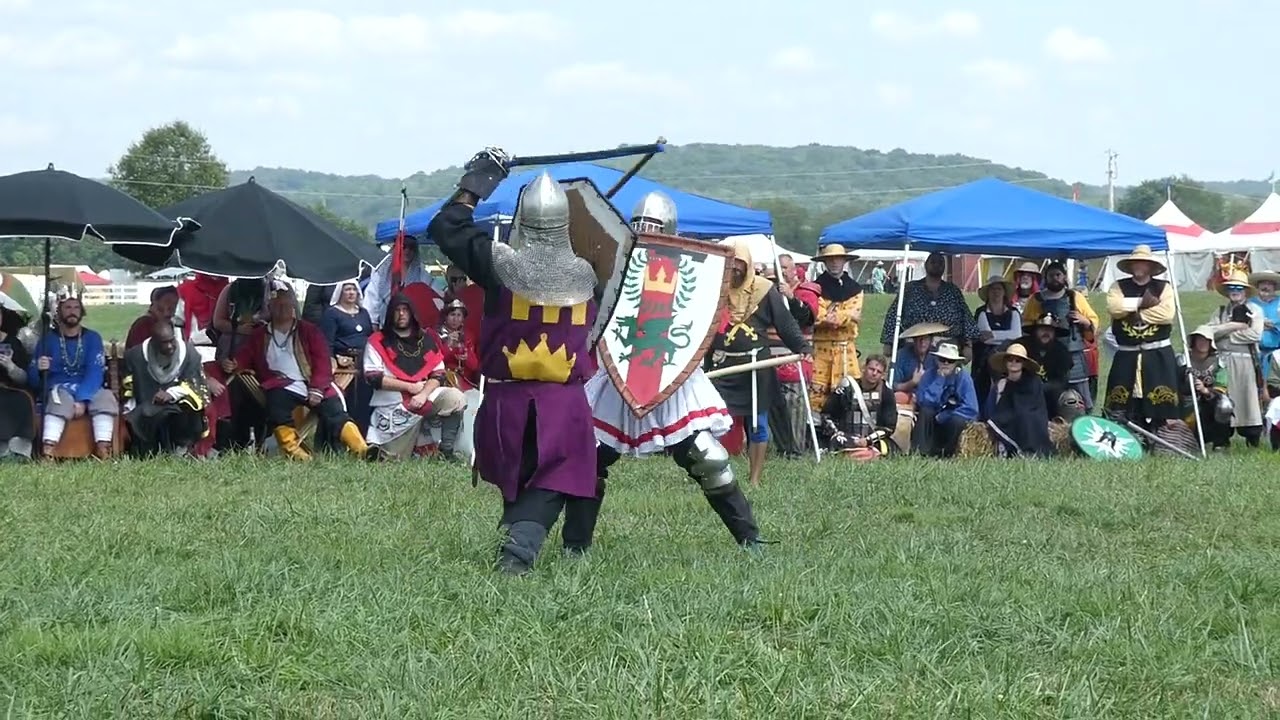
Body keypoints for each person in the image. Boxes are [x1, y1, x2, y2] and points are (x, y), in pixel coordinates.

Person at [428, 149, 601, 575]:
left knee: (528, 475)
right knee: (553, 478)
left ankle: (529, 542)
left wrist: (477, 182)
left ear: (522, 220)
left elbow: (447, 226)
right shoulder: (588, 275)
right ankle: (517, 553)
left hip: (507, 402)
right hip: (562, 403)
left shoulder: (499, 264)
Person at [578, 191, 770, 555]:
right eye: (639, 225)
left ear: (669, 230)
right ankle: (576, 545)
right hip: (620, 373)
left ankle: (750, 540)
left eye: (652, 226)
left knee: (707, 458)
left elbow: (701, 317)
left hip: (670, 376)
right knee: (588, 457)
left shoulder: (691, 266)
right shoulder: (614, 263)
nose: (645, 232)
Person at [705, 237, 812, 487]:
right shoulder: (716, 288)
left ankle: (754, 479)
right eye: (730, 262)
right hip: (724, 367)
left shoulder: (764, 290)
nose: (734, 268)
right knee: (713, 422)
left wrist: (802, 347)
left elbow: (785, 323)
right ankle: (714, 475)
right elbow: (706, 328)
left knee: (758, 424)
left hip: (757, 369)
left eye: (739, 263)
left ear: (748, 264)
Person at [223, 280, 369, 460]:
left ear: (293, 307)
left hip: (313, 383)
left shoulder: (309, 331)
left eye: (285, 305)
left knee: (334, 411)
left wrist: (317, 388)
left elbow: (322, 361)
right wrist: (233, 364)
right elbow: (244, 357)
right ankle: (297, 454)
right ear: (269, 308)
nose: (281, 309)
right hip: (280, 385)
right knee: (277, 409)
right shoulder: (259, 335)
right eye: (277, 306)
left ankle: (362, 450)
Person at [363, 293, 467, 459]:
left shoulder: (424, 339)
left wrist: (423, 394)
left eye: (405, 310)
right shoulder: (378, 341)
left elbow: (439, 374)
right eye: (397, 310)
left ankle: (446, 452)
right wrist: (410, 387)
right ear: (390, 314)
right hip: (393, 403)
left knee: (455, 398)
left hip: (424, 396)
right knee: (392, 459)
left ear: (411, 313)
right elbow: (373, 377)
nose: (401, 314)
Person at [1104, 244, 1181, 430]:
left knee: (1161, 406)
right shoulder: (1118, 287)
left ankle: (1159, 436)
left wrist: (1135, 314)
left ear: (1150, 266)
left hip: (1158, 356)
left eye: (1143, 262)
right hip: (1127, 355)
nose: (1138, 265)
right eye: (1136, 262)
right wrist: (1142, 303)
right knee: (1122, 404)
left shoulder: (1164, 288)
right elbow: (1114, 308)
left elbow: (1166, 314)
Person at [30, 295, 119, 458]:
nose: (72, 311)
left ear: (82, 311)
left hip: (88, 387)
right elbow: (33, 380)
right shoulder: (47, 340)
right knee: (59, 400)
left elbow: (95, 371)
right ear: (59, 312)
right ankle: (48, 452)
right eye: (68, 308)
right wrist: (40, 369)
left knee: (105, 398)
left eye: (76, 307)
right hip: (58, 388)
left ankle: (103, 450)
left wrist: (82, 399)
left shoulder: (92, 338)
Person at [120, 320, 209, 456]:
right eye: (163, 343)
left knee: (185, 415)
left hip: (180, 405)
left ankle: (180, 449)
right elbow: (128, 392)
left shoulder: (189, 354)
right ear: (153, 341)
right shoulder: (135, 356)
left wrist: (172, 394)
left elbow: (196, 385)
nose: (169, 346)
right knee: (142, 415)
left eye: (171, 340)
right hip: (147, 405)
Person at [1021, 260, 1099, 411]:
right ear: (1046, 277)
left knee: (1080, 396)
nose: (1055, 278)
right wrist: (1040, 322)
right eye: (1051, 275)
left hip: (1073, 351)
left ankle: (1083, 418)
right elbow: (1026, 323)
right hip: (1047, 355)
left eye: (1058, 275)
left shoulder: (1074, 297)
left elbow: (1093, 320)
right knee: (1049, 391)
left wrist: (1084, 320)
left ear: (1064, 276)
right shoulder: (1036, 299)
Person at [881, 252, 981, 361]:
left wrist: (968, 345)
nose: (937, 265)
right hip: (914, 347)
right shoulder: (910, 289)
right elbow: (894, 314)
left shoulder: (953, 291)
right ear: (926, 265)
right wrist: (888, 342)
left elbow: (966, 317)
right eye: (933, 262)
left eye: (940, 263)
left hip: (946, 349)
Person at [1206, 269, 1265, 447]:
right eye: (1231, 287)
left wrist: (1227, 335)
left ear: (1245, 291)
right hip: (1223, 362)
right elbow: (1210, 331)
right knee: (1221, 400)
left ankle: (1252, 439)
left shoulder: (1254, 310)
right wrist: (1234, 326)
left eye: (1239, 288)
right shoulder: (1220, 311)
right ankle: (1221, 440)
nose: (1235, 291)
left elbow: (1255, 334)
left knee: (1248, 401)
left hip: (1245, 361)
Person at [807, 244, 863, 413]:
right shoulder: (814, 288)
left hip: (846, 350)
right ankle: (817, 427)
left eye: (838, 259)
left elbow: (854, 313)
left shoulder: (856, 289)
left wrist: (833, 315)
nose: (834, 263)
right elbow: (817, 315)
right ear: (824, 262)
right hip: (821, 350)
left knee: (848, 393)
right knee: (817, 393)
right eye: (830, 259)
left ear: (844, 261)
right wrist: (845, 315)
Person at [817, 354, 899, 458]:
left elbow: (889, 426)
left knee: (885, 448)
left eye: (878, 372)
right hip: (846, 437)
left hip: (873, 440)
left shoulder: (886, 392)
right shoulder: (847, 387)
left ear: (882, 375)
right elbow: (826, 415)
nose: (874, 373)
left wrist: (868, 440)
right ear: (864, 368)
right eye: (871, 369)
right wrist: (836, 433)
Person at [910, 341, 978, 457]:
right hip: (933, 415)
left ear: (956, 363)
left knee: (957, 421)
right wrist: (939, 381)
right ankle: (920, 452)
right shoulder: (928, 375)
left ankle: (946, 454)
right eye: (942, 359)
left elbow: (971, 408)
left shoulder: (964, 378)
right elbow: (924, 401)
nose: (946, 363)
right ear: (937, 360)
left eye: (950, 361)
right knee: (926, 411)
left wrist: (945, 415)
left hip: (953, 416)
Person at [985, 342, 1053, 457]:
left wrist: (1018, 412)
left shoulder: (1033, 382)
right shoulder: (1001, 384)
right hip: (1009, 415)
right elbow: (994, 407)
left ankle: (1028, 451)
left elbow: (1032, 405)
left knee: (1026, 418)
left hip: (1032, 417)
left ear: (1024, 363)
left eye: (1018, 360)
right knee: (1000, 419)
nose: (1013, 363)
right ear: (1005, 362)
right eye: (1010, 360)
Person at [363, 234, 443, 331]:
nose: (407, 251)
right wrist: (373, 323)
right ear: (396, 248)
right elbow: (372, 300)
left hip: (414, 328)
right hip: (384, 326)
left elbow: (436, 296)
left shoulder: (422, 275)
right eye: (403, 246)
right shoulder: (381, 273)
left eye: (411, 247)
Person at [972, 274, 1021, 414]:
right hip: (983, 357)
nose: (996, 292)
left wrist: (994, 335)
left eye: (999, 289)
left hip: (1008, 355)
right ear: (988, 293)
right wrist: (1006, 335)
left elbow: (1017, 335)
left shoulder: (1014, 313)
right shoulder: (981, 312)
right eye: (993, 289)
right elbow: (985, 339)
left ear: (1004, 292)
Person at [0, 307, 35, 461]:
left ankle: (18, 450)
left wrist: (11, 367)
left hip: (11, 388)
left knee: (22, 400)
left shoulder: (13, 343)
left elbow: (24, 379)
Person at [1249, 271, 1280, 381]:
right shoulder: (1249, 303)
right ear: (1257, 286)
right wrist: (1261, 323)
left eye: (1269, 284)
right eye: (1263, 283)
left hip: (1277, 354)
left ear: (1274, 287)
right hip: (1254, 352)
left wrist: (1273, 325)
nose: (1266, 287)